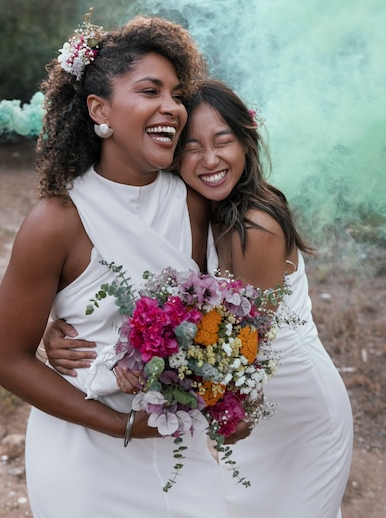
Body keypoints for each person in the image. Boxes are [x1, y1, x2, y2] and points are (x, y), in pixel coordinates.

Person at [45, 79, 354, 518]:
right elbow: (144, 289)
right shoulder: (194, 210)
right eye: (191, 147)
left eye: (223, 141)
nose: (209, 160)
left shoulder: (257, 226)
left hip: (295, 409)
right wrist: (61, 326)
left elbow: (241, 347)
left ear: (246, 143)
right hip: (245, 411)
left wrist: (127, 364)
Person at [0, 17, 237, 518]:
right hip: (84, 455)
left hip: (174, 445)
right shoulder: (56, 221)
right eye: (150, 90)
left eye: (176, 93)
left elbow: (220, 316)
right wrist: (116, 424)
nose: (172, 107)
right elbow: (7, 360)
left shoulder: (193, 203)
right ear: (99, 110)